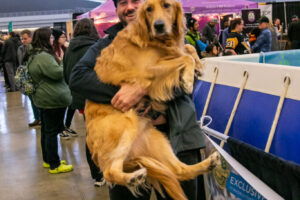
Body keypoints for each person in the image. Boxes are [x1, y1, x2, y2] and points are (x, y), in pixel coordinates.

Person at [69, 0, 206, 200]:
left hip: (179, 137)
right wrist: (124, 91)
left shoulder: (172, 35)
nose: (130, 7)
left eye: (136, 1)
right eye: (123, 3)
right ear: (116, 9)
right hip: (128, 144)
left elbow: (188, 82)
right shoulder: (107, 43)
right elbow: (78, 78)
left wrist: (142, 88)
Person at [62, 18, 105, 187]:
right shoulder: (94, 48)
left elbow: (66, 75)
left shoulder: (69, 49)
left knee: (91, 136)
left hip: (80, 100)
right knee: (103, 136)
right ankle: (105, 171)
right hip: (97, 99)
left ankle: (97, 175)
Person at [25, 27, 73, 174]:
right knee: (52, 132)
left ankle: (49, 160)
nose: (53, 39)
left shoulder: (34, 54)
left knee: (47, 131)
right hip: (52, 98)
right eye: (51, 37)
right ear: (45, 39)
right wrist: (63, 60)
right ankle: (55, 164)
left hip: (45, 97)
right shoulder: (43, 56)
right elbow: (58, 73)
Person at [52, 29, 78, 138]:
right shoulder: (52, 51)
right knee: (62, 107)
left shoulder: (65, 49)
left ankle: (67, 125)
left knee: (72, 104)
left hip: (68, 80)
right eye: (62, 37)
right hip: (59, 83)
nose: (65, 39)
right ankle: (61, 128)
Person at [17, 29, 41, 127]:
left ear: (31, 38)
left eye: (25, 39)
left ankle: (41, 118)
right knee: (31, 98)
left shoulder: (36, 50)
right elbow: (20, 63)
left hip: (36, 77)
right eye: (22, 39)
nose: (23, 41)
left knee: (38, 99)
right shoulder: (20, 49)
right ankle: (37, 118)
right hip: (26, 78)